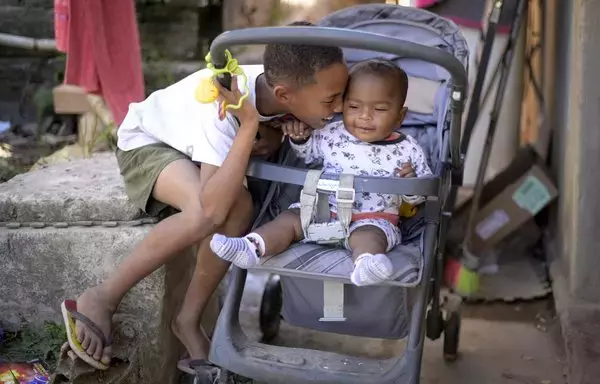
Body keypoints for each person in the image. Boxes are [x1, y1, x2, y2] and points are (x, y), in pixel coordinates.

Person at [61, 21, 416, 373]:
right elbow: (211, 209)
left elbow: (277, 132)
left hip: (202, 153)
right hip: (153, 146)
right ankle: (103, 297)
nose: (340, 108)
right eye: (332, 100)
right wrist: (248, 126)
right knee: (207, 213)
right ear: (284, 95)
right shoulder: (220, 105)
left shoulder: (291, 86)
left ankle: (187, 319)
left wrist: (280, 135)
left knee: (242, 206)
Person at [210, 58, 432, 287]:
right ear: (343, 105)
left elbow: (421, 194)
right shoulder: (331, 133)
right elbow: (308, 154)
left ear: (399, 116)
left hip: (373, 218)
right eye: (354, 107)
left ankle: (366, 264)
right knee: (288, 220)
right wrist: (301, 138)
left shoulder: (408, 150)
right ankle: (252, 246)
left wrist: (411, 183)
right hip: (322, 210)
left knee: (370, 237)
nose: (365, 116)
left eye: (379, 109)